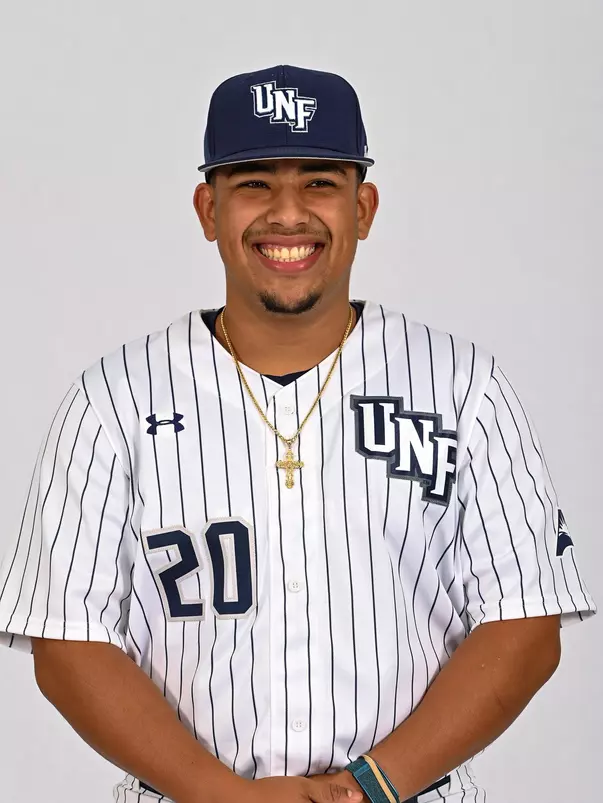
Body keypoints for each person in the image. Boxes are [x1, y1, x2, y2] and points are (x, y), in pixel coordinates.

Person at [0, 64, 596, 803]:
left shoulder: (462, 385)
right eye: (253, 182)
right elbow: (67, 641)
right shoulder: (112, 401)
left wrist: (367, 789)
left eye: (318, 181)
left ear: (364, 205)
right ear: (207, 207)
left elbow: (525, 622)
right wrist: (223, 795)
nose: (287, 213)